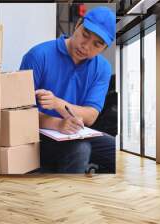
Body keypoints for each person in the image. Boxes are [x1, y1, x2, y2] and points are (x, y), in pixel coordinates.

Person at [20, 7, 116, 173]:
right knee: (81, 149)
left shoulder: (102, 68)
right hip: (38, 135)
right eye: (85, 34)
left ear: (104, 48)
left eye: (97, 44)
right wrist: (58, 124)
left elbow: (91, 115)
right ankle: (68, 196)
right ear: (77, 24)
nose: (86, 46)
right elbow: (20, 114)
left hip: (74, 132)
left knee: (115, 149)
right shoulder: (38, 56)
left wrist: (58, 104)